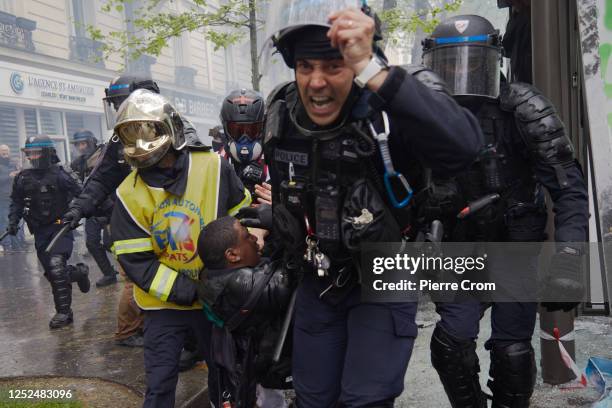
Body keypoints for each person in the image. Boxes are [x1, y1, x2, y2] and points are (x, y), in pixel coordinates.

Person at [260, 3, 483, 406]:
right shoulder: (282, 110)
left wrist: (374, 72)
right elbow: (289, 194)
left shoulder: (391, 100)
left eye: (333, 66)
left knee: (365, 400)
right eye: (305, 66)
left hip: (383, 274)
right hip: (317, 280)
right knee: (313, 399)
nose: (316, 82)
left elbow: (464, 147)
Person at [422, 15, 588, 408]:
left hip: (514, 246)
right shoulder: (426, 117)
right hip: (458, 249)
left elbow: (569, 190)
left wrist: (568, 258)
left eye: (474, 61)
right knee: (452, 340)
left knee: (512, 347)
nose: (463, 72)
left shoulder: (524, 109)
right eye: (451, 62)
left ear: (493, 59)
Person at [110, 89, 251, 407]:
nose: (140, 143)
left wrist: (234, 277)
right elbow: (137, 262)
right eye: (130, 135)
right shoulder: (127, 194)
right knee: (160, 385)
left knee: (225, 374)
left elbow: (242, 220)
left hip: (216, 300)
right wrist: (193, 289)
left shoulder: (214, 167)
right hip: (163, 308)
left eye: (146, 132)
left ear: (169, 129)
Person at [196, 214, 292, 408]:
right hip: (261, 374)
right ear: (232, 255)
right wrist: (283, 222)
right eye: (248, 236)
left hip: (240, 368)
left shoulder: (211, 274)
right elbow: (293, 272)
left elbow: (266, 265)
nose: (255, 238)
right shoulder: (245, 286)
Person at [6, 135, 90, 328]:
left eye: (36, 153)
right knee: (53, 274)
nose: (32, 157)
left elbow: (84, 195)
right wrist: (12, 222)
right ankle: (79, 273)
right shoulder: (22, 177)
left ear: (47, 153)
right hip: (40, 230)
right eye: (29, 153)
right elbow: (16, 203)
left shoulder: (62, 174)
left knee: (56, 266)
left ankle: (64, 313)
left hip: (61, 225)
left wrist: (75, 213)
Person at [70, 129, 119, 287]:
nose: (81, 147)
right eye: (78, 144)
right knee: (92, 243)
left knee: (111, 243)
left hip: (112, 207)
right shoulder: (77, 163)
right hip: (92, 208)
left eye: (84, 143)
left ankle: (130, 268)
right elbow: (76, 185)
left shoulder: (106, 156)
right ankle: (109, 274)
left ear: (91, 142)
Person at [0, 144, 23, 252]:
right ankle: (7, 245)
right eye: (3, 151)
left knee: (16, 221)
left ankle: (17, 245)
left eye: (7, 151)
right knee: (5, 222)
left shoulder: (12, 164)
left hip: (14, 198)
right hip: (3, 199)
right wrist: (8, 176)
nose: (5, 153)